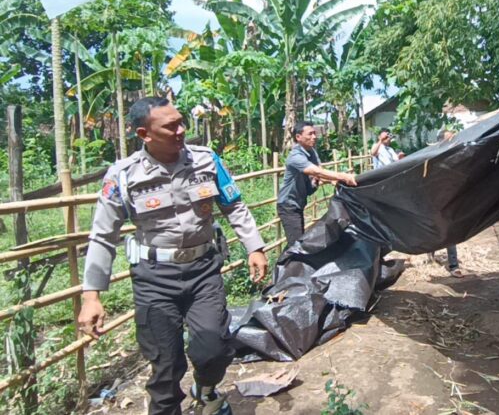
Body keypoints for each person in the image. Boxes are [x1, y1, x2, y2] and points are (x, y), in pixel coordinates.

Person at [78, 97, 268, 415]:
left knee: (214, 348)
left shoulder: (207, 160)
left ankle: (205, 390)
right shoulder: (123, 175)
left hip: (203, 270)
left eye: (181, 122)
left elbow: (233, 205)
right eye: (170, 126)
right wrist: (91, 294)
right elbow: (102, 235)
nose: (181, 130)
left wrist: (255, 247)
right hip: (154, 278)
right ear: (144, 134)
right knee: (165, 364)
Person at [277, 121, 358, 247]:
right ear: (298, 137)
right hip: (288, 205)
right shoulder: (295, 156)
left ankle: (288, 264)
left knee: (297, 240)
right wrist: (342, 176)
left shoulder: (312, 152)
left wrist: (333, 180)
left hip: (298, 204)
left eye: (315, 133)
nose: (314, 137)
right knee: (296, 245)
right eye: (310, 134)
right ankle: (284, 265)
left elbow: (317, 175)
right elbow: (315, 171)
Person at [427, 128, 464, 278]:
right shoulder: (432, 156)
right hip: (435, 198)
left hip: (449, 197)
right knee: (435, 228)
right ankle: (430, 253)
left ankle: (454, 265)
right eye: (449, 138)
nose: (452, 140)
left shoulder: (455, 155)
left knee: (450, 230)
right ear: (442, 140)